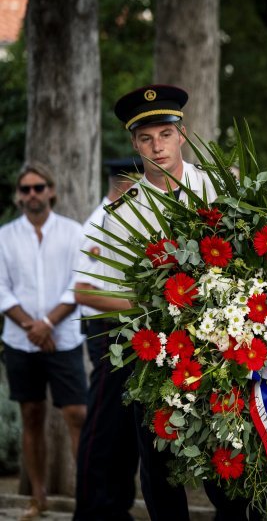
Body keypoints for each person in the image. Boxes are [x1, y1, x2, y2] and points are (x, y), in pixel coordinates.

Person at [105, 84, 254, 520]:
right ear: (135, 143)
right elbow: (112, 289)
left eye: (165, 134)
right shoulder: (124, 213)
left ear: (181, 134)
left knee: (228, 465)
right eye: (147, 138)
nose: (158, 146)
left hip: (221, 350)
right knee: (159, 465)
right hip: (156, 355)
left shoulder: (220, 190)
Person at [0, 162, 87, 520]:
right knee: (31, 415)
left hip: (63, 338)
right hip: (20, 342)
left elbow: (80, 284)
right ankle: (38, 497)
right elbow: (2, 289)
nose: (32, 194)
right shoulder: (5, 236)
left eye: (38, 188)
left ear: (51, 190)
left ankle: (88, 497)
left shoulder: (73, 233)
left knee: (77, 415)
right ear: (19, 196)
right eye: (26, 189)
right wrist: (31, 328)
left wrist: (48, 324)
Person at [73, 157, 141, 521]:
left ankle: (116, 506)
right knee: (101, 423)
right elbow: (82, 292)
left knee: (125, 425)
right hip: (107, 334)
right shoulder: (101, 223)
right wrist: (137, 304)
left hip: (129, 333)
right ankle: (92, 509)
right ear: (126, 183)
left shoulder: (125, 219)